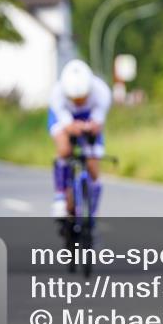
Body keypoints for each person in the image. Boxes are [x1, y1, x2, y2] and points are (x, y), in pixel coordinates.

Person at [47, 59, 112, 219]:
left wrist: (91, 127)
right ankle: (60, 197)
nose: (78, 102)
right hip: (63, 118)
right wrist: (72, 127)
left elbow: (98, 122)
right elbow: (66, 124)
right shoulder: (57, 94)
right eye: (74, 99)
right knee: (64, 149)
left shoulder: (102, 92)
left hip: (89, 117)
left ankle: (93, 212)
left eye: (82, 98)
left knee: (92, 163)